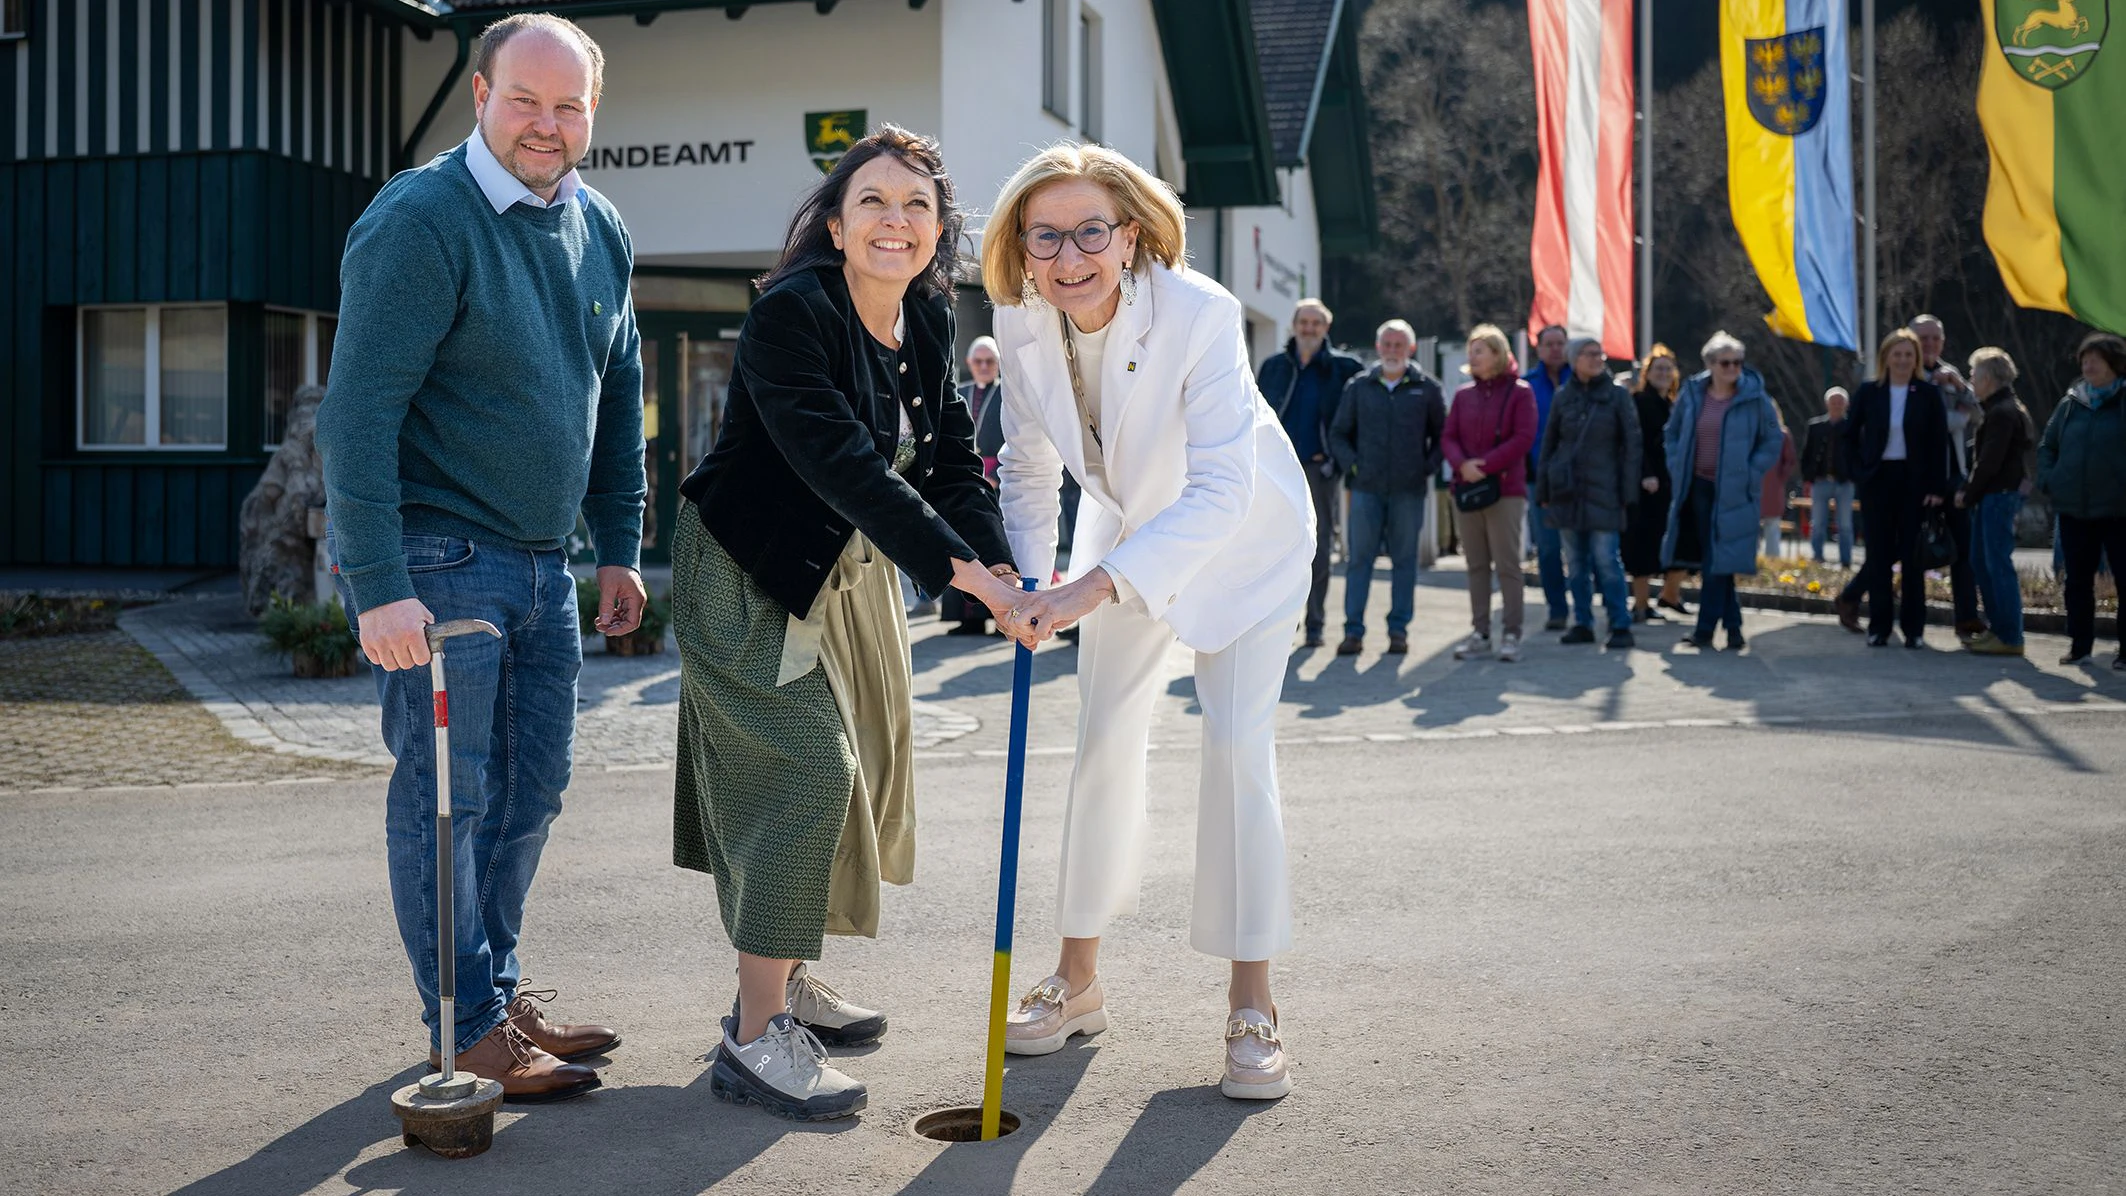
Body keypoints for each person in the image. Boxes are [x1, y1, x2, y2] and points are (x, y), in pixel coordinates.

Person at [317, 13, 639, 1102]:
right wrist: (376, 583)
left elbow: (620, 388)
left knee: (532, 791)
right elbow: (356, 411)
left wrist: (621, 546)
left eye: (569, 105)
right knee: (449, 800)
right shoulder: (421, 220)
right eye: (525, 101)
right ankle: (462, 1026)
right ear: (478, 95)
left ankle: (495, 996)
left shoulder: (600, 227)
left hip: (547, 563)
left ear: (590, 109)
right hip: (440, 554)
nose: (546, 125)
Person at [671, 126, 1022, 1121]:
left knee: (860, 760)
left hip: (841, 571)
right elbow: (845, 466)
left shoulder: (930, 316)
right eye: (872, 201)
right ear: (834, 221)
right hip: (747, 568)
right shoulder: (792, 312)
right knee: (805, 768)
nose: (895, 222)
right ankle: (752, 1035)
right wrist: (964, 578)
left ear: (938, 230)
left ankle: (781, 979)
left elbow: (952, 458)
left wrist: (993, 565)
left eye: (917, 206)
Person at [984, 143, 1314, 1101]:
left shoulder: (1203, 312)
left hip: (1243, 539)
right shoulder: (1019, 322)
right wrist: (1027, 584)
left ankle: (1252, 1004)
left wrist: (1089, 590)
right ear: (1024, 247)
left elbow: (1218, 485)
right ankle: (1077, 978)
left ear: (1129, 237)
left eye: (1092, 230)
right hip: (1123, 529)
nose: (1070, 254)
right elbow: (1032, 468)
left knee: (1238, 751)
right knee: (1100, 742)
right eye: (1046, 235)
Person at [1327, 319, 1446, 656]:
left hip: (1408, 491)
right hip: (1365, 489)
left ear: (1409, 349)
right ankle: (1353, 632)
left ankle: (1398, 631)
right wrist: (1354, 464)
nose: (1393, 350)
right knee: (1359, 561)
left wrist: (1426, 468)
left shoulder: (1427, 388)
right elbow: (1339, 433)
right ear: (1378, 348)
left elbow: (1442, 436)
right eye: (1387, 344)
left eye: (1399, 345)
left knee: (1404, 562)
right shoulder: (1359, 386)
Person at [1661, 331, 1785, 651]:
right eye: (1726, 362)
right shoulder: (1692, 393)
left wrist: (1751, 471)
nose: (1733, 368)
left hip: (1734, 490)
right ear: (1711, 364)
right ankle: (1733, 629)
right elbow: (1672, 433)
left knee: (1718, 560)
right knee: (1716, 560)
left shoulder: (1755, 397)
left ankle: (1705, 631)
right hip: (1698, 486)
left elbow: (1773, 440)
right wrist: (1677, 464)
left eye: (1737, 362)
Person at [1256, 298, 1364, 647]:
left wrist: (1342, 458)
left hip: (1320, 471)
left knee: (1317, 549)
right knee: (1275, 549)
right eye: (1304, 321)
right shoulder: (1273, 367)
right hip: (1276, 471)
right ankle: (1282, 623)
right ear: (1294, 325)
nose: (1309, 328)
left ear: (1326, 328)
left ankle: (1315, 624)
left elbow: (1355, 420)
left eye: (1316, 323)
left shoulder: (1344, 369)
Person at [1845, 328, 1952, 648]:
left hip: (1914, 482)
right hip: (1877, 480)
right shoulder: (1868, 392)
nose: (1903, 360)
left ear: (1916, 359)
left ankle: (1914, 629)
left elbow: (1938, 443)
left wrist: (1936, 487)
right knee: (1878, 556)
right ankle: (1879, 627)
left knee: (1911, 557)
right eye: (1897, 354)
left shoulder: (1928, 394)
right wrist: (1858, 473)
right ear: (1886, 358)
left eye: (1909, 354)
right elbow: (1849, 436)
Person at [1442, 324, 1541, 663]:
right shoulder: (1463, 394)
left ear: (1498, 354)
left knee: (1508, 565)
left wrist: (1485, 465)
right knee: (1476, 565)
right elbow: (1448, 436)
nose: (1472, 356)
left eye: (1479, 350)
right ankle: (1480, 633)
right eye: (1471, 350)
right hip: (1467, 490)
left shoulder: (1521, 392)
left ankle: (1511, 633)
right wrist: (1462, 465)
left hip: (1505, 491)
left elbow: (1524, 438)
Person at [1536, 337, 1641, 649]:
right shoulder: (1562, 397)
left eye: (1599, 353)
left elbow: (1632, 446)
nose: (1597, 358)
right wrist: (1544, 490)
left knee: (1607, 560)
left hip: (1605, 492)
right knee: (1577, 563)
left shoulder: (1618, 396)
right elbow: (1549, 445)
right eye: (1589, 353)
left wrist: (1627, 490)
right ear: (1574, 358)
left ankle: (1620, 624)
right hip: (1567, 492)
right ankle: (1582, 622)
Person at [2035, 332, 2126, 669]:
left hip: (2119, 510)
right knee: (2077, 581)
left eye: (2095, 359)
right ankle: (2079, 645)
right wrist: (2050, 480)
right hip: (2074, 507)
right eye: (2084, 359)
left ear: (2114, 365)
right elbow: (2048, 446)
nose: (2087, 365)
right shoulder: (2071, 402)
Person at [1959, 348, 2037, 657]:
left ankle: (2009, 634)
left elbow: (1989, 462)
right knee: (1982, 561)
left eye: (1974, 375)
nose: (1971, 381)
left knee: (1996, 565)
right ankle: (1999, 630)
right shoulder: (2001, 408)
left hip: (1998, 496)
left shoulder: (2002, 412)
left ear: (1989, 379)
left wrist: (1968, 492)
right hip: (1994, 495)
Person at [1914, 315, 1988, 639]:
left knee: (1964, 548)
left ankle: (1967, 617)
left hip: (1954, 474)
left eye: (1935, 338)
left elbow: (1982, 415)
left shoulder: (1951, 375)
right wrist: (1955, 417)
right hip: (1916, 478)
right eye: (1923, 338)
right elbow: (1918, 422)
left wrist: (1961, 387)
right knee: (1912, 549)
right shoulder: (1904, 373)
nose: (1930, 344)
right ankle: (1908, 619)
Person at [937, 336, 1011, 635]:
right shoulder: (960, 393)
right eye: (978, 361)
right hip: (964, 480)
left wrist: (999, 474)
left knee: (996, 547)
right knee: (962, 542)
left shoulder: (1009, 393)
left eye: (989, 361)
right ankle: (969, 619)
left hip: (1000, 479)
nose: (983, 367)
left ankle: (1000, 616)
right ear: (969, 363)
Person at [1624, 345, 1689, 623]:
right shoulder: (1639, 401)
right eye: (1657, 368)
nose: (1663, 373)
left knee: (1680, 541)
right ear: (1647, 374)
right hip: (1648, 485)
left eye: (1667, 368)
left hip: (1673, 483)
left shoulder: (1676, 404)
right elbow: (1635, 443)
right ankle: (1640, 604)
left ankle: (1669, 594)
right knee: (1644, 543)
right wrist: (1645, 474)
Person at [1525, 324, 1577, 630]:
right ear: (1539, 348)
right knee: (1547, 548)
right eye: (1550, 344)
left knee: (1580, 548)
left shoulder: (1585, 380)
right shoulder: (1527, 385)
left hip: (1580, 479)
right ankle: (1557, 609)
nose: (1555, 349)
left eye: (1561, 343)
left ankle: (1584, 609)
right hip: (1538, 480)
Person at [1802, 387, 1856, 570]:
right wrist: (1808, 476)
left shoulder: (1852, 427)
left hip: (1844, 482)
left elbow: (1860, 454)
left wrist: (1853, 475)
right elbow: (1807, 453)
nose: (1837, 405)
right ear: (1827, 403)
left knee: (1845, 524)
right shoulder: (1816, 426)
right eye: (1833, 401)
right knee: (1818, 523)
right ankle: (1817, 558)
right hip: (1821, 481)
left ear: (1846, 404)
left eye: (1840, 402)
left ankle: (1846, 561)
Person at [1757, 411, 1797, 559]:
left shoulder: (1782, 434)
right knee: (1750, 523)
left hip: (1773, 486)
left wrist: (1781, 477)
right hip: (1753, 484)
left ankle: (1772, 559)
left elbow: (1789, 460)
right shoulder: (1751, 432)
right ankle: (1750, 558)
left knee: (1772, 523)